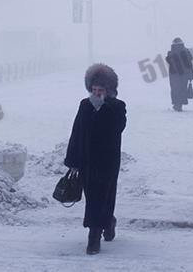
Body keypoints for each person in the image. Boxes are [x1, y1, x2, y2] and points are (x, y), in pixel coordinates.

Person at [64, 63, 127, 255]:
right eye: (94, 89)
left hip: (108, 161)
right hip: (87, 161)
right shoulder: (85, 105)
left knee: (105, 196)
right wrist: (73, 160)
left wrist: (105, 108)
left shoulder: (117, 107)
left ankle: (95, 236)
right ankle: (102, 226)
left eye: (101, 90)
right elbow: (76, 132)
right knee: (93, 198)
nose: (97, 93)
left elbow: (119, 127)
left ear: (109, 90)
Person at [165, 37, 193, 112]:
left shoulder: (171, 52)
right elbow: (190, 64)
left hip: (174, 75)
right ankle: (180, 105)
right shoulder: (186, 51)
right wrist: (191, 76)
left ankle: (176, 104)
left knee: (175, 90)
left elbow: (168, 60)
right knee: (182, 89)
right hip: (184, 75)